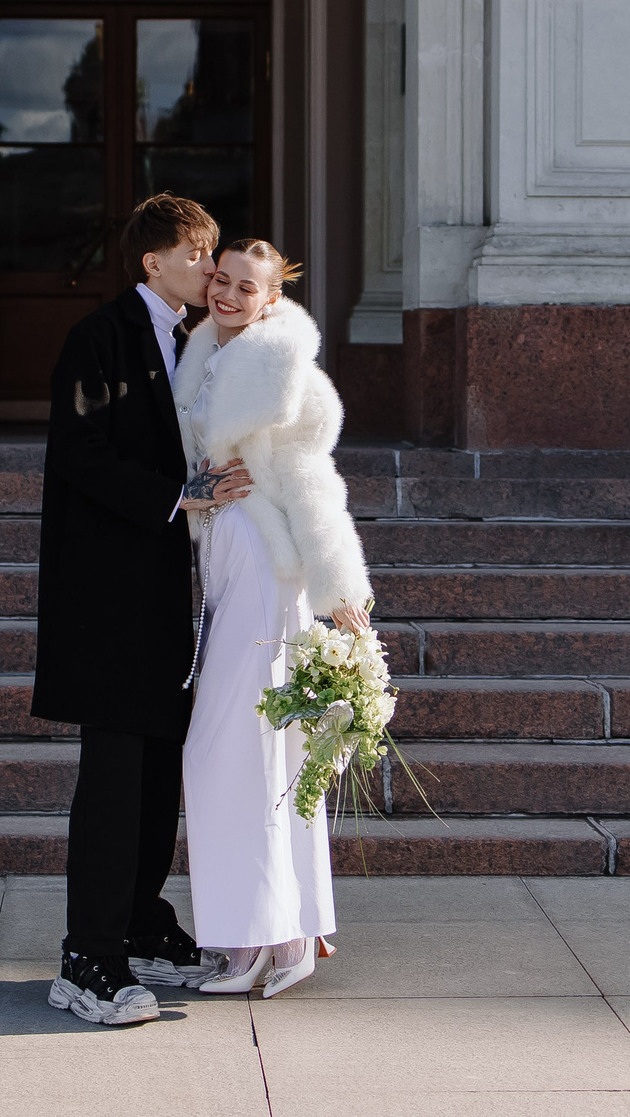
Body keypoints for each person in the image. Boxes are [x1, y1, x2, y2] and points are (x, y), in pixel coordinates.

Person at [35, 193, 255, 1027]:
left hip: (165, 590)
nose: (209, 268)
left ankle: (140, 925)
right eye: (197, 255)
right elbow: (79, 452)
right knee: (115, 778)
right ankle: (87, 960)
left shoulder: (193, 342)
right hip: (106, 594)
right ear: (152, 263)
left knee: (159, 771)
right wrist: (179, 496)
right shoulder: (99, 336)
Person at [172, 238, 374, 999]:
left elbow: (311, 483)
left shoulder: (277, 369)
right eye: (220, 280)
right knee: (254, 751)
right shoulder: (205, 356)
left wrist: (338, 586)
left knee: (229, 753)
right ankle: (285, 929)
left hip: (263, 564)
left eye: (245, 287)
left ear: (272, 297)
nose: (226, 295)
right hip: (223, 557)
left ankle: (260, 937)